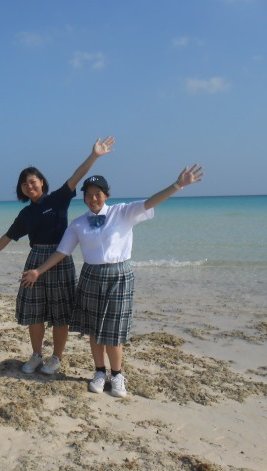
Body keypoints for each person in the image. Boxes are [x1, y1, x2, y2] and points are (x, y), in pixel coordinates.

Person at [21, 164, 204, 397]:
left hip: (120, 276)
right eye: (88, 194)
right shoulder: (78, 223)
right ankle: (99, 372)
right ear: (84, 198)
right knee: (94, 329)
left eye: (98, 194)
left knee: (113, 330)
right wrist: (38, 271)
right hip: (90, 276)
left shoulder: (123, 212)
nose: (93, 198)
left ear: (106, 195)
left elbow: (151, 202)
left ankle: (117, 375)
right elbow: (61, 252)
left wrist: (177, 185)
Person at [0, 137, 116, 375]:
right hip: (35, 259)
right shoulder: (26, 214)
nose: (29, 186)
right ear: (21, 189)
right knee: (34, 311)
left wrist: (94, 155)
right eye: (24, 184)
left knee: (60, 313)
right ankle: (36, 354)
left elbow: (77, 175)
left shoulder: (58, 198)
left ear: (42, 182)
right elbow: (9, 235)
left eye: (32, 181)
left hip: (60, 257)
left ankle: (56, 357)